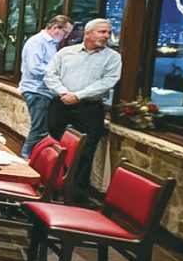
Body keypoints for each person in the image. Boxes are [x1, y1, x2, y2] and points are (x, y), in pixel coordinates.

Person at [44, 18, 121, 197]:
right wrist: (64, 92)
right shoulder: (65, 52)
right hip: (61, 103)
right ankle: (52, 185)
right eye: (102, 32)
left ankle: (75, 193)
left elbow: (108, 82)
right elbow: (50, 74)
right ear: (88, 33)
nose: (107, 36)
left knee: (86, 150)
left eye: (109, 32)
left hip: (89, 108)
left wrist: (78, 95)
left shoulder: (112, 57)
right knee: (56, 145)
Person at [19, 15, 74, 158]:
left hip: (43, 91)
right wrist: (56, 73)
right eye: (65, 33)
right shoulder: (37, 41)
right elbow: (35, 68)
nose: (66, 37)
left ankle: (30, 158)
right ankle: (26, 158)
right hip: (36, 90)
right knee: (39, 130)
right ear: (55, 28)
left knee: (41, 129)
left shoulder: (50, 44)